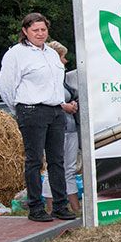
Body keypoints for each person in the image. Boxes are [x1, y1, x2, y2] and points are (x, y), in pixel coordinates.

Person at [0, 13, 76, 222]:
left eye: (43, 30)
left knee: (57, 160)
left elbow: (54, 84)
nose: (40, 34)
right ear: (25, 31)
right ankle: (36, 207)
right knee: (34, 161)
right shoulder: (16, 54)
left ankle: (60, 205)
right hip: (31, 110)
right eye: (35, 30)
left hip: (56, 110)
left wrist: (59, 105)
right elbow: (5, 86)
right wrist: (19, 108)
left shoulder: (51, 54)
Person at [40, 41, 81, 213]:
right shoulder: (45, 78)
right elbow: (44, 98)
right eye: (63, 57)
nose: (65, 61)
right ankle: (50, 207)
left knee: (69, 169)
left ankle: (75, 207)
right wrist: (64, 106)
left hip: (71, 128)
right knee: (54, 167)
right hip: (56, 129)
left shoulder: (63, 78)